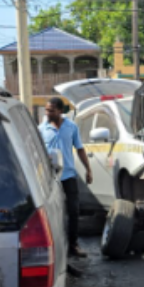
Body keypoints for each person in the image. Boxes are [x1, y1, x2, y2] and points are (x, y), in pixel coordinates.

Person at [39, 97, 93, 259]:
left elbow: (80, 149)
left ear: (60, 111)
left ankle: (73, 246)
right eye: (46, 110)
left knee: (73, 211)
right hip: (49, 178)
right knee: (50, 212)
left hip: (68, 175)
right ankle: (53, 247)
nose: (47, 113)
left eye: (51, 110)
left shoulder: (71, 127)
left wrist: (88, 170)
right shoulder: (41, 129)